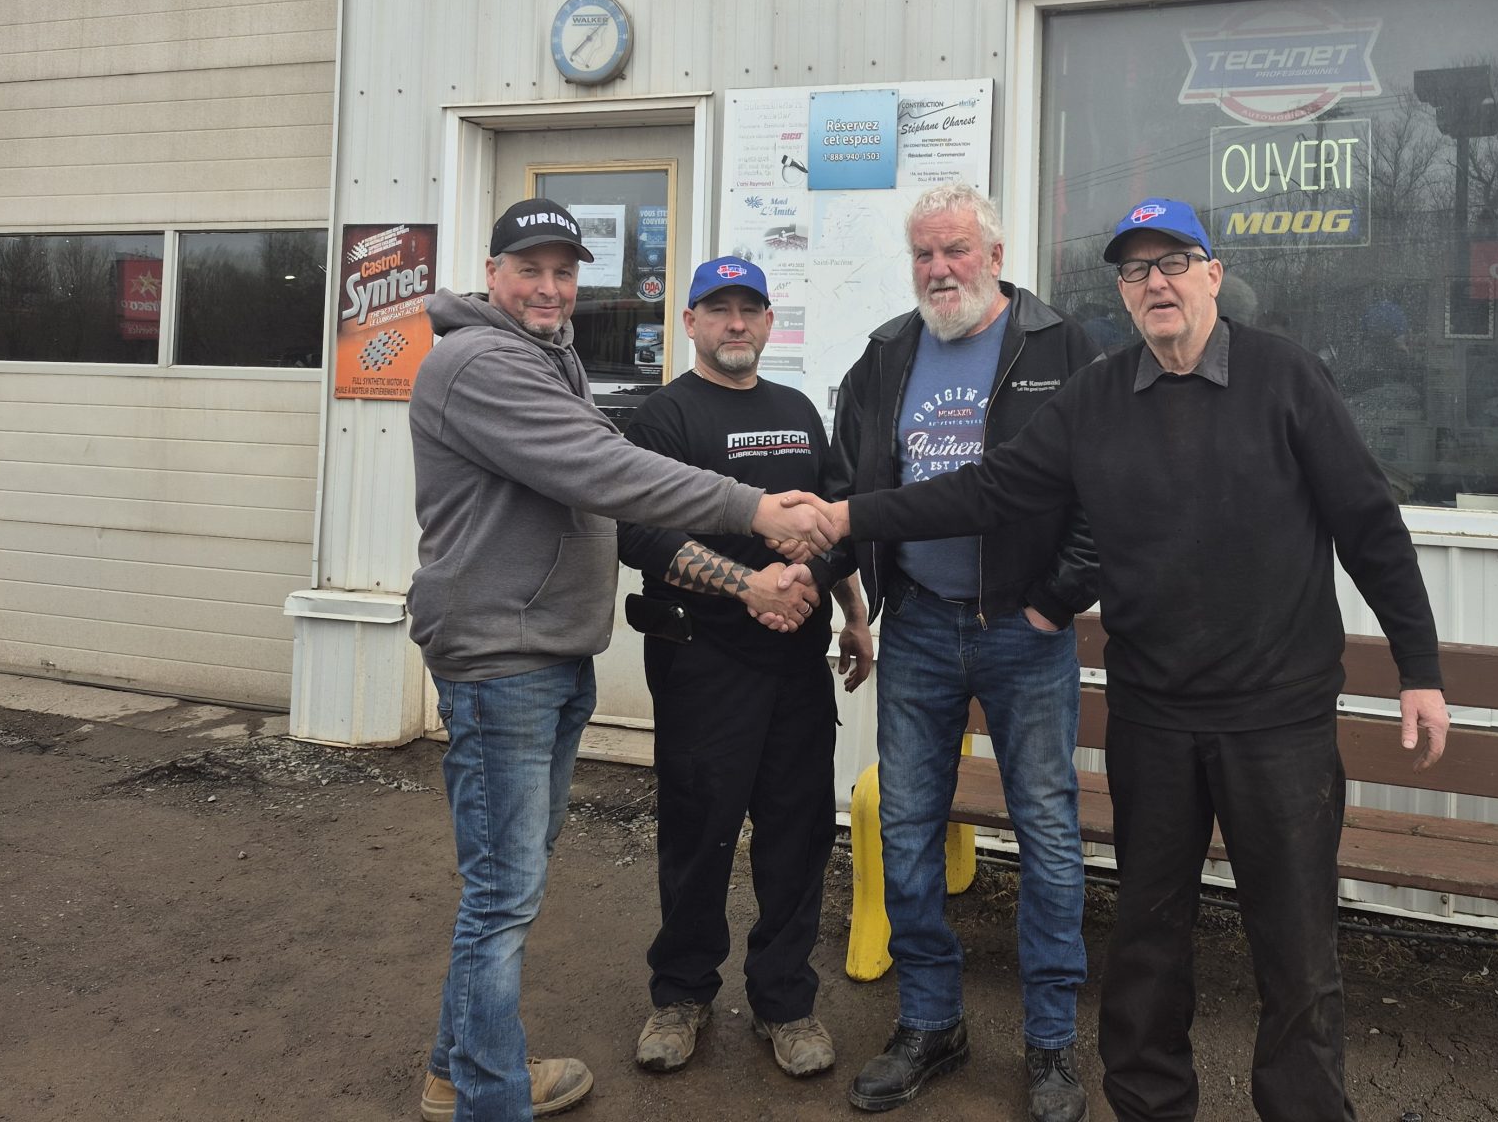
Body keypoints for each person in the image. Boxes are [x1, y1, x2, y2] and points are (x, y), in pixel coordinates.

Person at [810, 197, 1451, 1122]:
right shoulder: (1097, 397)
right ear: (1122, 292)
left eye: (1174, 262)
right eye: (1136, 270)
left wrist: (1418, 668)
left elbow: (1370, 527)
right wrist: (847, 516)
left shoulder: (1285, 378)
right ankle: (1151, 1105)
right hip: (1153, 716)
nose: (1157, 283)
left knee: (1296, 945)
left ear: (1213, 275)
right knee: (1147, 939)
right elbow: (990, 489)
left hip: (1278, 720)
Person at [407, 199, 832, 1122]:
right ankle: (489, 1095)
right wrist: (754, 521)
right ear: (492, 272)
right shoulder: (479, 363)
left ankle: (459, 1067)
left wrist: (838, 595)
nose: (550, 288)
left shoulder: (549, 360)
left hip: (553, 652)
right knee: (505, 895)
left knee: (512, 882)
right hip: (512, 659)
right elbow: (612, 481)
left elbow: (829, 510)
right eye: (529, 269)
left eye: (564, 272)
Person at [824, 183, 1100, 1122]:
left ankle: (1052, 1043)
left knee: (1047, 836)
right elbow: (853, 481)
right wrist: (841, 590)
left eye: (955, 251)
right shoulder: (886, 352)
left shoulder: (1060, 347)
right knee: (906, 829)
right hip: (918, 626)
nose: (940, 270)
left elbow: (1103, 489)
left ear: (995, 254)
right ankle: (931, 1023)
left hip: (1026, 633)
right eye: (924, 255)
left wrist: (1057, 601)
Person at [615, 256, 874, 1081]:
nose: (735, 323)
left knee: (798, 835)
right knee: (699, 833)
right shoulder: (662, 417)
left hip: (795, 661)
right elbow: (639, 534)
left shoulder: (797, 411)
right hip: (701, 662)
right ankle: (680, 993)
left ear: (768, 322)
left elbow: (839, 520)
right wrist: (748, 585)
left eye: (749, 309)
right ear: (690, 321)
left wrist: (840, 601)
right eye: (718, 308)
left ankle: (785, 1002)